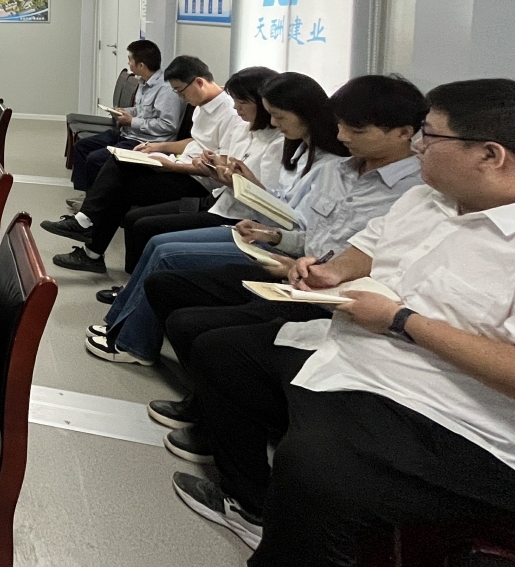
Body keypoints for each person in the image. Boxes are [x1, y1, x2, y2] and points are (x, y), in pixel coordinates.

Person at [173, 79, 515, 563]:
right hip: (353, 348)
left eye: (431, 136)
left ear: (490, 155)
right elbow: (368, 247)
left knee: (316, 465)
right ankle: (248, 504)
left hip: (445, 409)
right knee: (222, 353)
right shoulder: (426, 200)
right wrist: (331, 272)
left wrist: (401, 321)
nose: (419, 146)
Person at [123, 76, 426, 463]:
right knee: (167, 285)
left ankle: (219, 423)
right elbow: (310, 234)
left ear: (404, 133)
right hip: (292, 272)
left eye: (356, 130)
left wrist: (303, 265)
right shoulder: (340, 171)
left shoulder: (413, 194)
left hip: (327, 298)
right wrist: (276, 238)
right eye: (340, 125)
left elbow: (375, 263)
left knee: (198, 325)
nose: (342, 136)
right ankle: (209, 401)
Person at [44, 56, 249, 273]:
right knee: (119, 164)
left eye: (181, 91)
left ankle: (86, 230)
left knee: (119, 184)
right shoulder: (201, 104)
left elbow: (217, 168)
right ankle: (89, 241)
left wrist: (169, 166)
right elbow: (196, 141)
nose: (181, 97)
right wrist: (159, 147)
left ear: (199, 82)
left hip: (196, 181)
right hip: (179, 166)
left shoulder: (231, 114)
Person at [68, 40, 185, 191]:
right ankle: (86, 194)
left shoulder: (166, 90)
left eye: (130, 59)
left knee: (96, 159)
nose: (128, 63)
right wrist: (125, 112)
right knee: (82, 147)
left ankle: (97, 198)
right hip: (128, 134)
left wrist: (131, 121)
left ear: (141, 65)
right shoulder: (144, 82)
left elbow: (168, 125)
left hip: (144, 141)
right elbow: (141, 110)